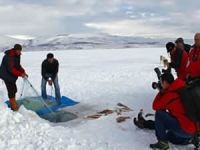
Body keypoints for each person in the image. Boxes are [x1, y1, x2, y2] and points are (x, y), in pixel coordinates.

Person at [134, 73, 196, 149]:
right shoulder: (182, 86)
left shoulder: (170, 94)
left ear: (165, 82)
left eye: (161, 82)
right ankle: (145, 124)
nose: (160, 84)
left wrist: (161, 92)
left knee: (160, 114)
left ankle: (162, 143)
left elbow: (155, 106)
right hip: (194, 128)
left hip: (185, 130)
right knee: (170, 136)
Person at [0, 44, 28, 111]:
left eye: (20, 50)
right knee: (11, 90)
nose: (19, 52)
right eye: (18, 50)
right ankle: (13, 107)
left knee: (14, 89)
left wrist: (23, 71)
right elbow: (11, 69)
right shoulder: (9, 57)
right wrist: (21, 74)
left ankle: (13, 102)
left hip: (11, 76)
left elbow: (17, 65)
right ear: (15, 50)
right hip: (6, 75)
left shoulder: (17, 55)